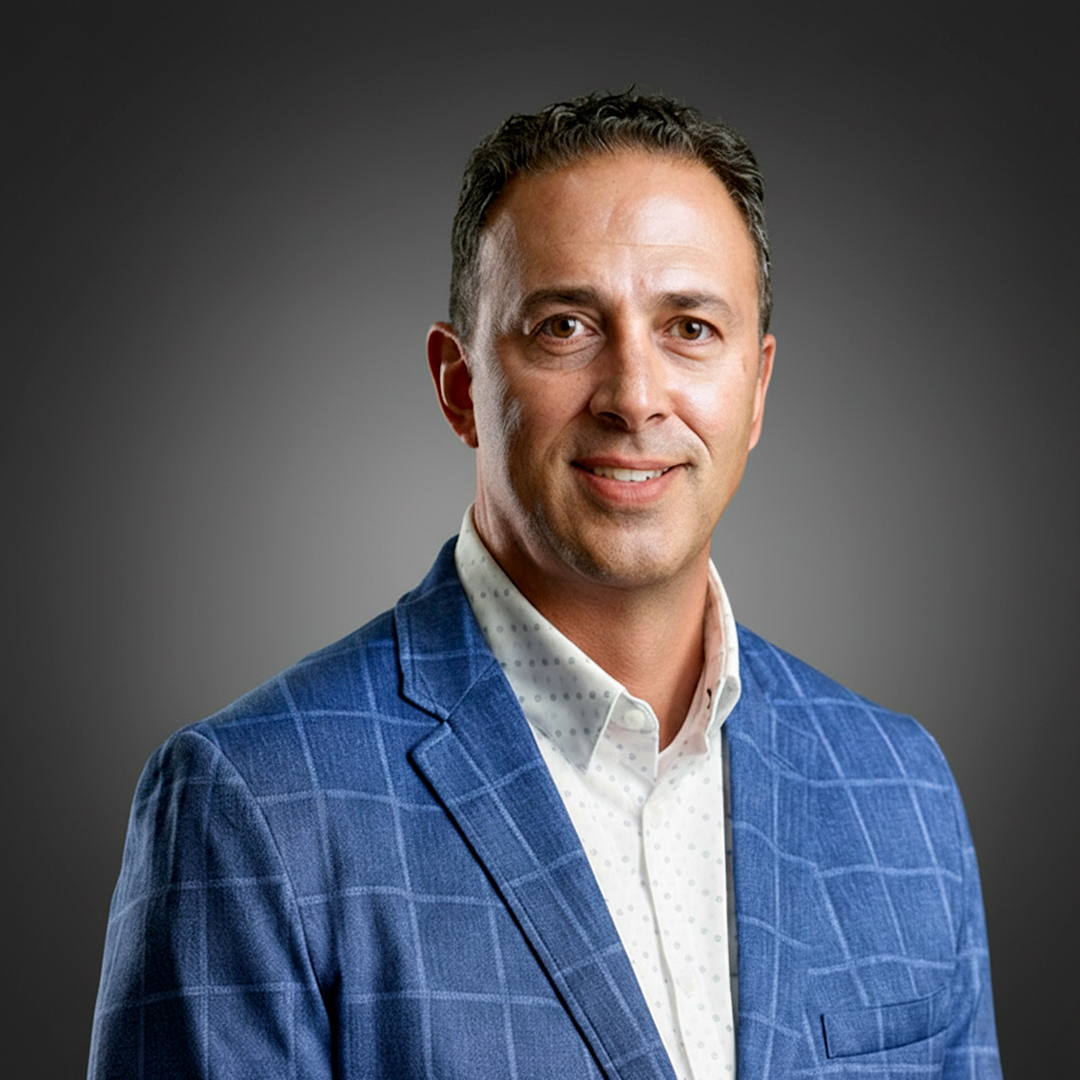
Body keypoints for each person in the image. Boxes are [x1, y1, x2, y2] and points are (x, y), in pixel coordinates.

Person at [88, 91, 1002, 1079]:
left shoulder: (901, 786)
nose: (636, 397)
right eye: (566, 325)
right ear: (459, 385)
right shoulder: (255, 805)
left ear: (757, 390)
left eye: (691, 327)